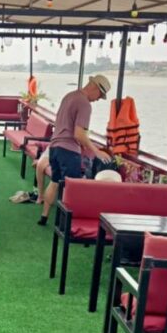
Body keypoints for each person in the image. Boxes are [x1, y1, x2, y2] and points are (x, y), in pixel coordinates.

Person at [37, 74, 112, 226]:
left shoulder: (69, 96)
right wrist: (96, 151)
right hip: (69, 150)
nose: (98, 99)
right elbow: (79, 134)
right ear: (95, 87)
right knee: (72, 189)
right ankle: (65, 224)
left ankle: (44, 217)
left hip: (55, 147)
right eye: (100, 95)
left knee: (54, 182)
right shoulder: (85, 104)